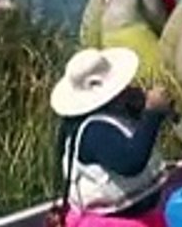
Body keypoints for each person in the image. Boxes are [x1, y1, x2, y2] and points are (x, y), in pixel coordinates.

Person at [50, 47, 170, 227]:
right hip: (112, 222)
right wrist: (152, 115)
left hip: (138, 216)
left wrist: (142, 109)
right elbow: (130, 162)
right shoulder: (95, 130)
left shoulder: (112, 117)